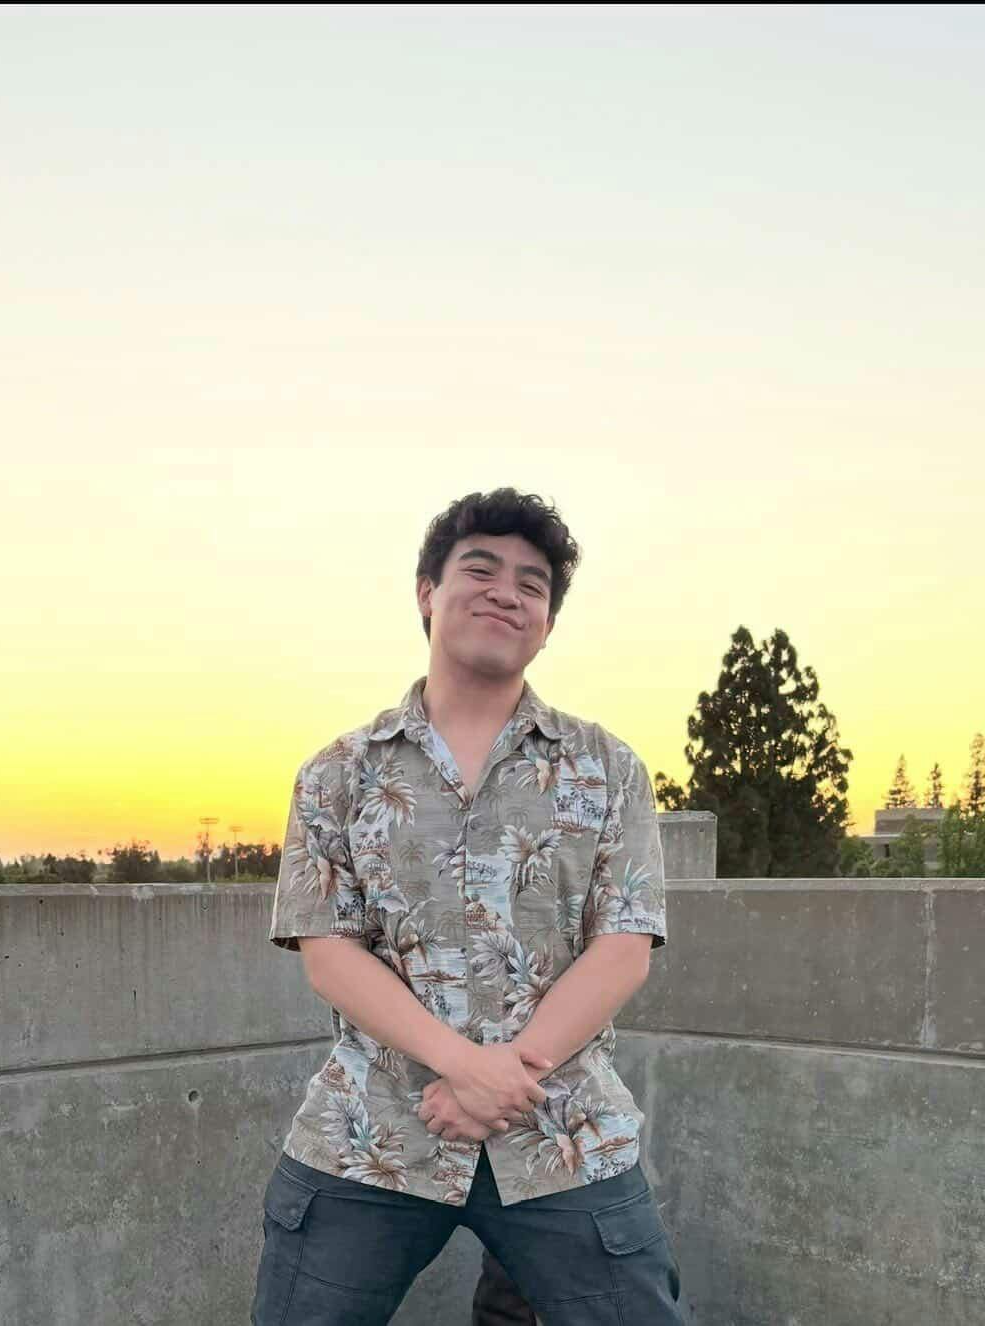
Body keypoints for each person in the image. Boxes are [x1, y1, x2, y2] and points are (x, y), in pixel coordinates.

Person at [251, 488, 684, 1325]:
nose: (506, 592)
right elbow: (329, 951)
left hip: (562, 1132)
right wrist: (463, 1065)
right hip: (372, 1131)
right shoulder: (339, 773)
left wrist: (505, 1077)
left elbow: (624, 943)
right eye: (479, 569)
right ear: (427, 593)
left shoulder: (608, 767)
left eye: (532, 584)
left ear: (548, 622)